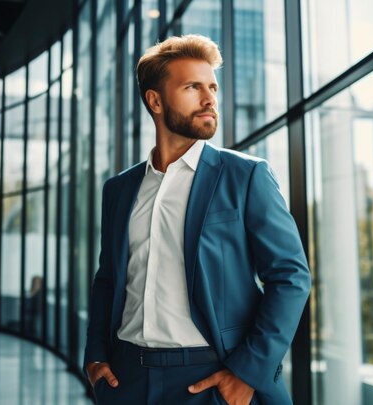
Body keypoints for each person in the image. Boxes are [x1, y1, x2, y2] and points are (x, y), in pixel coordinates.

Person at [83, 34, 310, 405]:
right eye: (192, 87)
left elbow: (291, 277)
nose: (209, 100)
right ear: (154, 100)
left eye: (212, 88)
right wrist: (95, 355)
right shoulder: (119, 189)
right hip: (126, 378)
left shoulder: (245, 175)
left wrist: (247, 372)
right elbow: (107, 278)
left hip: (211, 378)